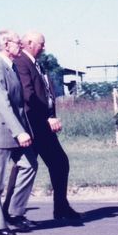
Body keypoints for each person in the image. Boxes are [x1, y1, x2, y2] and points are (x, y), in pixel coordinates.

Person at [13, 31, 81, 223]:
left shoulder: (36, 64)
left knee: (58, 163)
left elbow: (46, 93)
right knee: (26, 168)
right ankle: (11, 213)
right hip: (34, 125)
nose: (44, 47)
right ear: (28, 43)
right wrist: (47, 118)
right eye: (41, 44)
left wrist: (51, 115)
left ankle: (61, 208)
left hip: (43, 123)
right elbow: (29, 96)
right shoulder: (21, 63)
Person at [0, 29, 37, 235]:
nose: (20, 44)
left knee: (29, 165)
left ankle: (14, 212)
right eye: (16, 41)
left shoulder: (10, 67)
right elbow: (2, 104)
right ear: (5, 44)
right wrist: (19, 131)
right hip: (0, 131)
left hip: (15, 130)